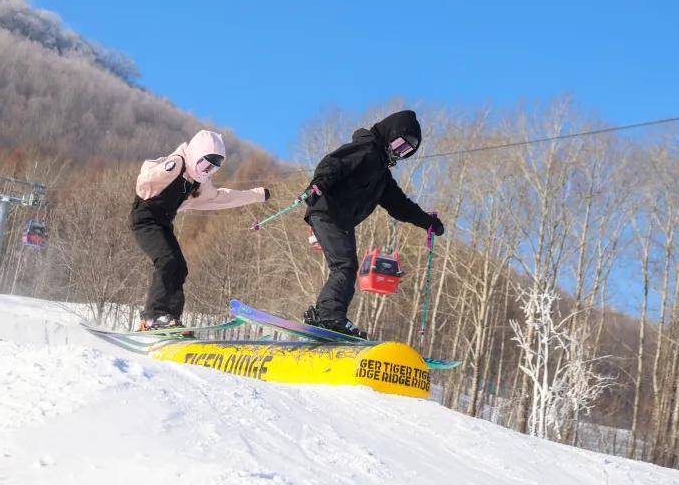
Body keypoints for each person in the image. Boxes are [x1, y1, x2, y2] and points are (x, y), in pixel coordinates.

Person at [299, 109, 444, 338]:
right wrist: (319, 184)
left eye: (405, 151)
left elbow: (401, 206)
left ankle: (326, 314)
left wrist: (427, 222)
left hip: (341, 220)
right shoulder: (366, 149)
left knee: (346, 267)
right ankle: (328, 315)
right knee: (345, 267)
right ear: (389, 134)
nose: (398, 152)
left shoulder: (382, 177)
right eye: (399, 145)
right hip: (328, 209)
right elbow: (334, 163)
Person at [131, 129, 268, 330]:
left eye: (213, 168)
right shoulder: (177, 164)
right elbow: (144, 182)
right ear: (195, 154)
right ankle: (153, 317)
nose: (206, 171)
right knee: (167, 261)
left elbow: (222, 198)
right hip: (144, 218)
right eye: (205, 164)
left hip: (163, 223)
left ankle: (170, 318)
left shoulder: (197, 183)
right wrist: (166, 169)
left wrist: (256, 195)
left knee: (180, 266)